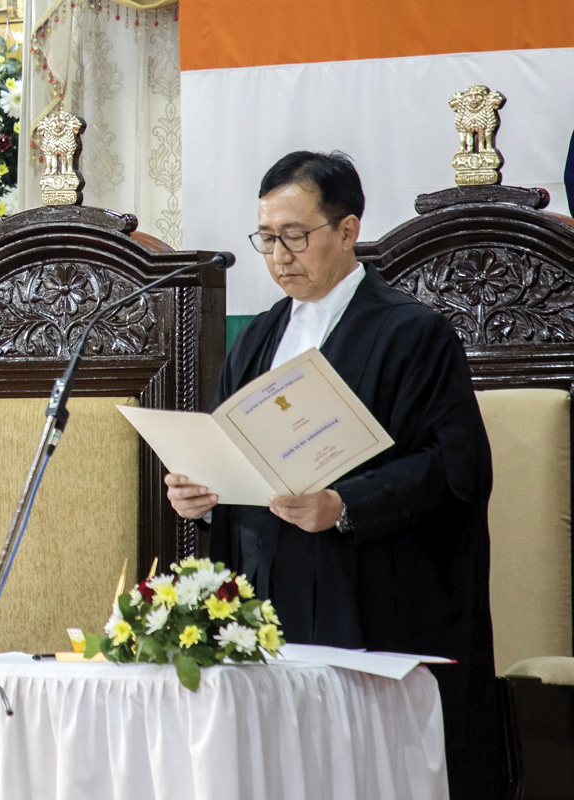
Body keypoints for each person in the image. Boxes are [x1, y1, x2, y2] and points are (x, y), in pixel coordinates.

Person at [165, 151, 502, 798]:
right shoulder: (258, 337)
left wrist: (345, 504)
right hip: (268, 587)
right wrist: (202, 494)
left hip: (371, 589)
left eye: (296, 235)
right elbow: (232, 449)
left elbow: (458, 468)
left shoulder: (411, 331)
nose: (279, 255)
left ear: (347, 230)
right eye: (266, 238)